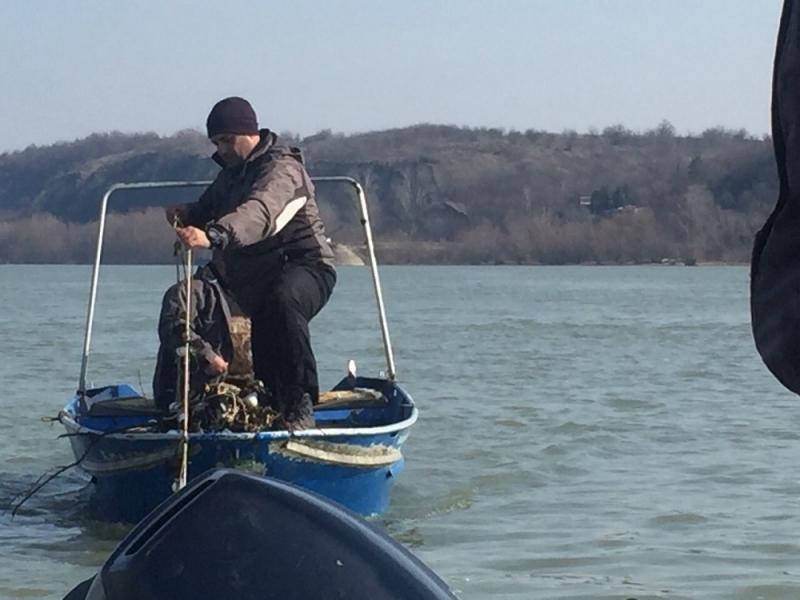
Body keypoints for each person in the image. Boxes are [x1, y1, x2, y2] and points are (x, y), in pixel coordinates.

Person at [166, 96, 336, 431]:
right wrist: (186, 215)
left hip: (307, 266)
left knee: (282, 304)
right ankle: (255, 402)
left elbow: (259, 212)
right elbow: (208, 207)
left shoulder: (283, 170)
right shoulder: (230, 176)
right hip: (256, 278)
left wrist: (213, 236)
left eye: (226, 140)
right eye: (216, 143)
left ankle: (299, 403)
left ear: (250, 132)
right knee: (195, 304)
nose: (222, 149)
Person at [152, 256, 253, 411]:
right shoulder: (186, 291)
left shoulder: (254, 294)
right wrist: (207, 358)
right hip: (198, 395)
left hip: (246, 393)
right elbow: (174, 330)